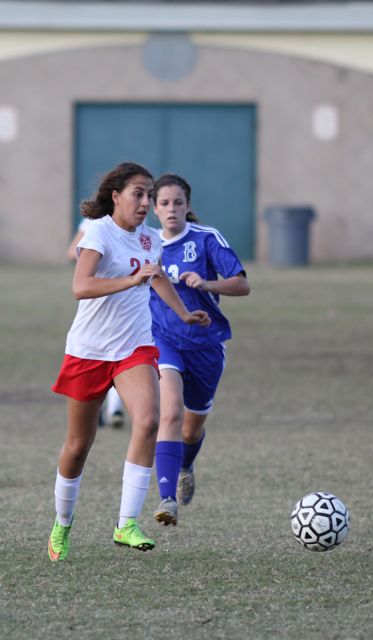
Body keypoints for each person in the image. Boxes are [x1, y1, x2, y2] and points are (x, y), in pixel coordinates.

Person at [48, 162, 210, 561]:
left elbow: (157, 279)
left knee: (150, 420)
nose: (144, 202)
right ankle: (62, 523)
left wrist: (183, 314)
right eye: (137, 193)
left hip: (134, 348)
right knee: (77, 445)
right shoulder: (99, 232)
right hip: (88, 350)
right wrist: (129, 280)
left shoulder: (150, 239)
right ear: (116, 196)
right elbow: (80, 286)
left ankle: (126, 524)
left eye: (148, 195)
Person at [150, 174, 250, 526]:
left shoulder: (207, 239)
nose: (172, 209)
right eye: (164, 203)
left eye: (178, 202)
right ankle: (166, 499)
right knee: (170, 413)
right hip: (164, 341)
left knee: (191, 430)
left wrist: (207, 283)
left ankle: (187, 465)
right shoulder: (146, 244)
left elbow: (242, 284)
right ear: (153, 208)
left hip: (207, 346)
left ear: (188, 206)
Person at [67, 219, 125, 428]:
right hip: (98, 305)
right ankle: (100, 405)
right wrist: (96, 254)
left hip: (129, 310)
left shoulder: (139, 223)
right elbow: (72, 253)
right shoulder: (93, 224)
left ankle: (115, 408)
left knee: (125, 353)